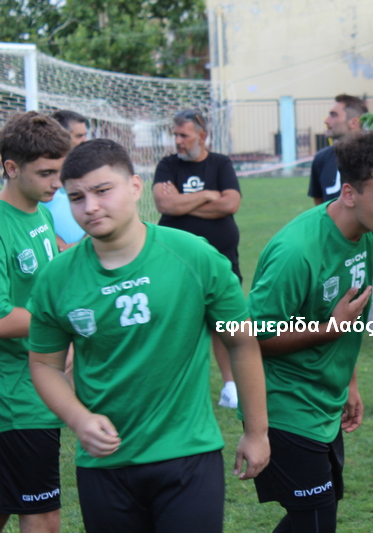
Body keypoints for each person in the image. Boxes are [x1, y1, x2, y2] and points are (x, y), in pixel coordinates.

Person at [26, 139, 270, 533]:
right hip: (104, 465)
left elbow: (241, 342)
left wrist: (256, 431)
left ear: (135, 187)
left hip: (188, 455)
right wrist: (78, 418)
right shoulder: (56, 277)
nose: (90, 207)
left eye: (102, 190)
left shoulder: (195, 256)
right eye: (76, 197)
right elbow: (43, 364)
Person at [250, 129, 373, 532]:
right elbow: (251, 338)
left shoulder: (370, 237)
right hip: (285, 405)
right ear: (349, 194)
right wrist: (327, 330)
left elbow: (348, 319)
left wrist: (350, 383)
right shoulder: (296, 252)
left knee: (316, 516)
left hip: (326, 398)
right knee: (316, 519)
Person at [309, 94, 373, 416]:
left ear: (353, 122)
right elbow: (319, 209)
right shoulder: (322, 159)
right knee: (338, 326)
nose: (326, 120)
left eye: (333, 114)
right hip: (332, 259)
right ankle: (347, 389)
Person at [0, 111, 70, 533]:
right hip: (16, 398)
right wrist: (63, 321)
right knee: (43, 518)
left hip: (36, 385)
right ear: (11, 168)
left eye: (60, 171)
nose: (57, 183)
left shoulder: (39, 213)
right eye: (46, 173)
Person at [152, 109, 243, 409]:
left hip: (221, 258)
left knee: (225, 324)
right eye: (175, 135)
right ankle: (179, 388)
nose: (177, 141)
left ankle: (231, 386)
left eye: (184, 135)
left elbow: (230, 203)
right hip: (176, 261)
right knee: (179, 324)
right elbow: (164, 204)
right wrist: (207, 195)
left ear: (202, 136)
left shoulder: (220, 163)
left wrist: (181, 203)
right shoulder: (168, 165)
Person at [43, 109, 89, 251]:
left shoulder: (89, 168)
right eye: (79, 136)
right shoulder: (40, 171)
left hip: (86, 250)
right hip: (52, 251)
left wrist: (85, 243)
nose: (85, 141)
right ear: (61, 136)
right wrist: (61, 245)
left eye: (85, 135)